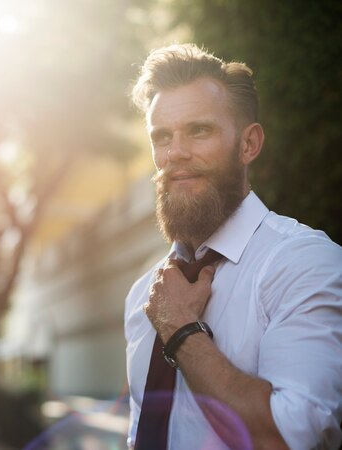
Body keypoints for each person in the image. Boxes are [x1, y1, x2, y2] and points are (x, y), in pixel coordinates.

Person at [124, 43, 342, 450]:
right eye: (162, 137)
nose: (176, 153)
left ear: (249, 145)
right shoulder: (142, 296)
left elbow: (287, 438)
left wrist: (180, 329)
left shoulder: (306, 264)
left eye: (199, 130)